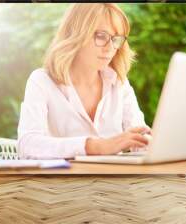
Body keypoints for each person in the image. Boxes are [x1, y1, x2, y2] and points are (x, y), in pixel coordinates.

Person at [17, 3, 150, 159]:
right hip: (62, 182)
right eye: (101, 36)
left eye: (116, 39)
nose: (110, 48)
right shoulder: (41, 81)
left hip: (113, 182)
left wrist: (149, 143)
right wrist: (94, 146)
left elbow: (139, 137)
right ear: (75, 34)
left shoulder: (119, 83)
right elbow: (27, 145)